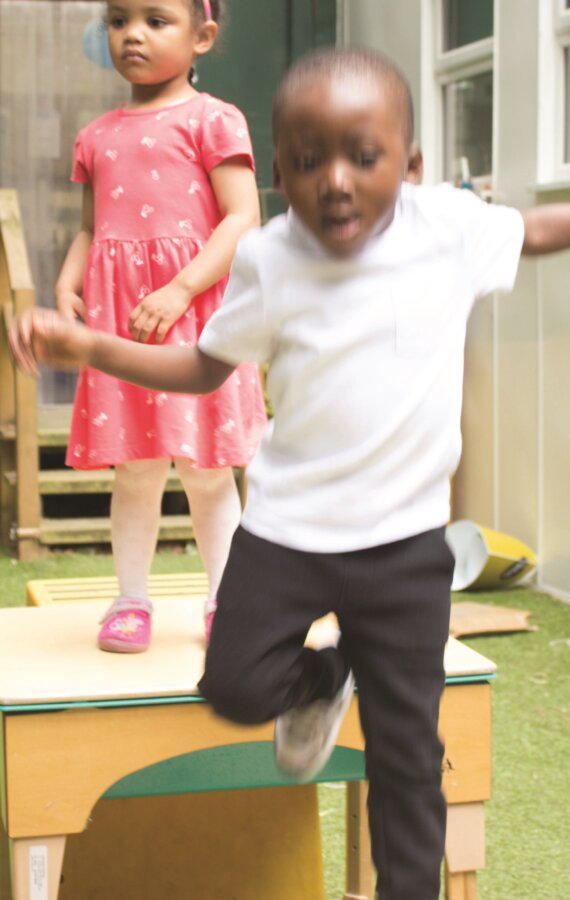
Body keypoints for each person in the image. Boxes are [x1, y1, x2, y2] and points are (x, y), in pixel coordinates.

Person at [10, 46, 570, 900]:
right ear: (279, 170)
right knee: (235, 685)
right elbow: (205, 367)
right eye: (310, 162)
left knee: (405, 753)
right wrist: (93, 347)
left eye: (364, 155)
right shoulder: (267, 258)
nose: (337, 181)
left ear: (411, 165)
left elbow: (533, 230)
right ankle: (323, 674)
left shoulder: (447, 228)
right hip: (287, 533)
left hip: (402, 547)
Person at [54, 0, 267, 653]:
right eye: (119, 21)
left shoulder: (214, 120)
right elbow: (93, 228)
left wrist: (179, 288)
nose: (133, 35)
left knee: (207, 472)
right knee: (137, 471)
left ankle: (224, 601)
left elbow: (240, 218)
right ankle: (129, 600)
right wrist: (68, 278)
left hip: (196, 318)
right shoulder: (94, 136)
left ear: (202, 36)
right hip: (123, 328)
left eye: (154, 20)